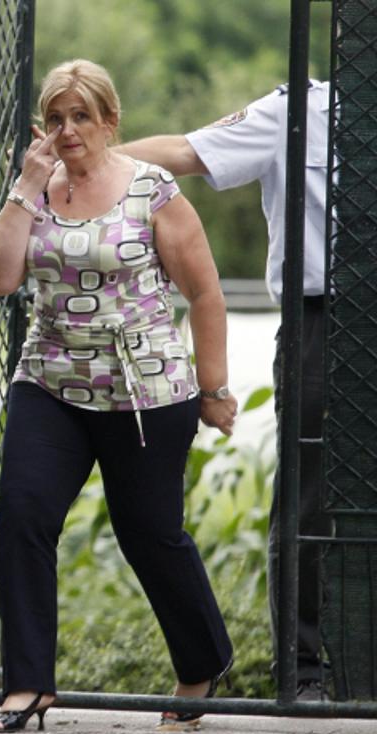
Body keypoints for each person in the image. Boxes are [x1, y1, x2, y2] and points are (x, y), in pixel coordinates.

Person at [0, 59, 237, 732]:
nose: (68, 130)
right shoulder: (33, 190)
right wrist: (27, 184)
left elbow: (205, 293)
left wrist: (214, 388)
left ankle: (201, 663)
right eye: (56, 117)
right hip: (51, 384)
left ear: (109, 121)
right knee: (24, 517)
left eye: (81, 116)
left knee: (149, 534)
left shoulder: (152, 189)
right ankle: (27, 686)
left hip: (144, 390)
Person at [119, 81, 332, 701]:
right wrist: (91, 163)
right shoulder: (298, 109)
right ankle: (306, 671)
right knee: (309, 494)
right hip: (324, 319)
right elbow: (187, 152)